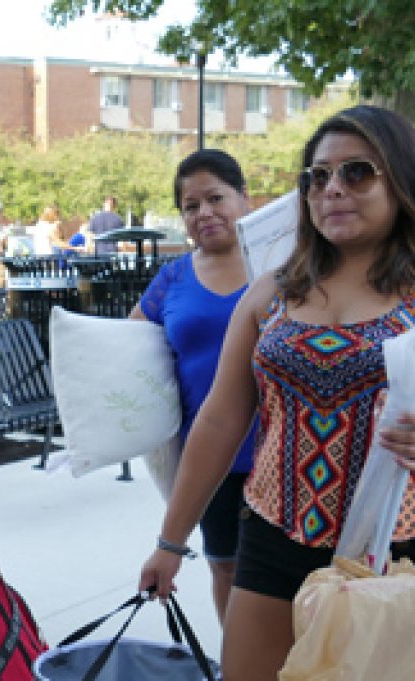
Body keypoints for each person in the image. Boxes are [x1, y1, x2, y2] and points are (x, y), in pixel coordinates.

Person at [139, 105, 415, 681]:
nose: (332, 189)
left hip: (397, 550)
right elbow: (221, 422)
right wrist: (170, 543)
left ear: (401, 179)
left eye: (357, 172)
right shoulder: (271, 291)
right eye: (317, 176)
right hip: (274, 534)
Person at [130, 149, 255, 623]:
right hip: (209, 458)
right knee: (225, 568)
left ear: (244, 198)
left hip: (283, 455)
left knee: (291, 578)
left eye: (215, 198)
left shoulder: (283, 266)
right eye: (190, 205)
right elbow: (130, 345)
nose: (203, 213)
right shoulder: (173, 279)